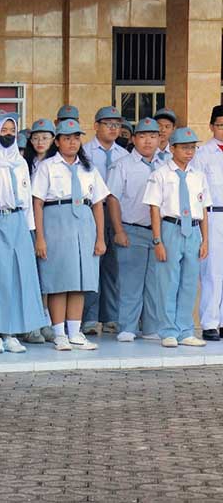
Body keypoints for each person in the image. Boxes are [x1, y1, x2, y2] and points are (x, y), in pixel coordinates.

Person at [0, 116, 48, 353]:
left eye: (11, 130)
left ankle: (12, 332)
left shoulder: (20, 162)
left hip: (18, 222)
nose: (8, 134)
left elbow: (26, 201)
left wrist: (32, 232)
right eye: (3, 130)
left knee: (18, 276)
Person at [33, 119, 109, 351]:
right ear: (57, 141)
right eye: (67, 138)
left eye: (76, 137)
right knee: (59, 280)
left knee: (80, 280)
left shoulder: (89, 168)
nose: (72, 142)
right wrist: (40, 237)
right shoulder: (48, 166)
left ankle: (75, 333)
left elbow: (97, 203)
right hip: (56, 218)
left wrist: (100, 238)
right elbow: (37, 202)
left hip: (84, 222)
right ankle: (59, 334)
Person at [143, 127, 209, 348]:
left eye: (193, 148)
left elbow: (204, 209)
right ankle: (168, 330)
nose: (190, 152)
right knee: (168, 282)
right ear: (172, 148)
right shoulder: (160, 174)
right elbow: (154, 209)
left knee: (189, 282)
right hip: (170, 228)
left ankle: (185, 329)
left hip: (193, 230)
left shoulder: (198, 176)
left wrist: (205, 239)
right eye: (185, 148)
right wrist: (157, 240)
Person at [106, 117, 163, 343]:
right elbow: (113, 199)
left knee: (155, 282)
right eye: (142, 136)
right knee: (130, 282)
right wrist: (118, 230)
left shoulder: (165, 164)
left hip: (159, 232)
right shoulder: (123, 164)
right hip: (132, 229)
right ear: (133, 139)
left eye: (152, 136)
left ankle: (151, 327)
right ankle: (127, 326)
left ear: (159, 139)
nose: (148, 141)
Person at [81, 106, 126, 336]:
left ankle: (111, 316)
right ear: (96, 126)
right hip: (91, 211)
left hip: (116, 213)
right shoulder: (85, 152)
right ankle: (89, 318)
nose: (113, 128)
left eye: (117, 124)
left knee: (114, 266)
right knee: (92, 264)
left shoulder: (124, 154)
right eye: (108, 124)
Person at [21, 118, 57, 344]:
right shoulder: (24, 162)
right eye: (35, 138)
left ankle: (45, 319)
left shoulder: (57, 163)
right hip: (25, 225)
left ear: (53, 139)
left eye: (45, 137)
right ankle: (30, 322)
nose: (40, 142)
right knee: (29, 275)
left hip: (49, 225)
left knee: (47, 275)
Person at [193, 107, 223, 341]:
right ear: (212, 126)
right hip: (213, 215)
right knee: (212, 270)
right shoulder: (202, 154)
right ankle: (210, 322)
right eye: (220, 125)